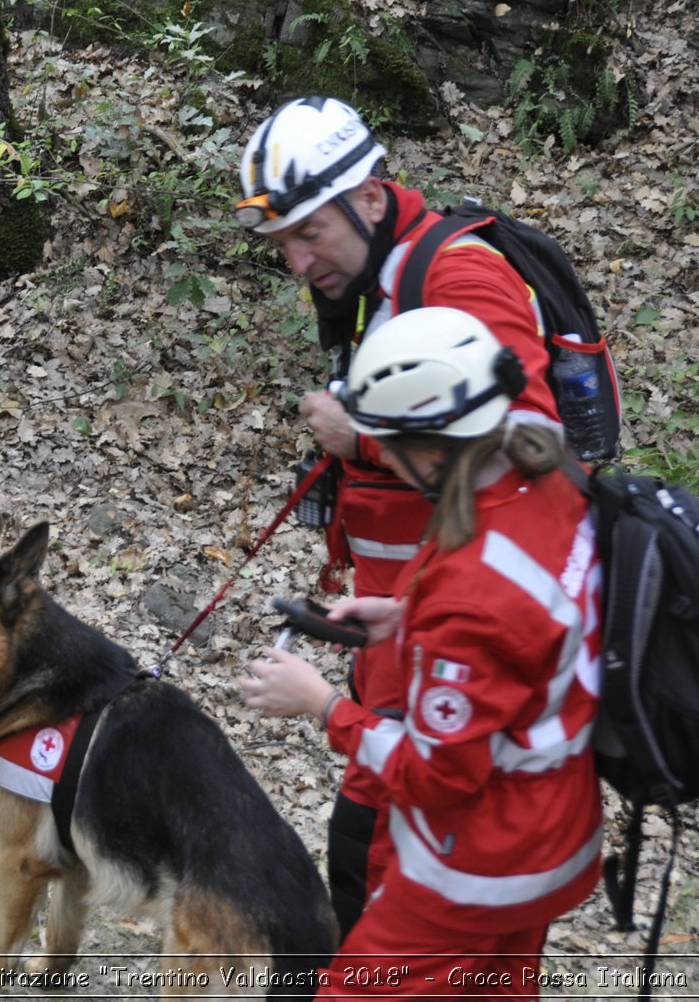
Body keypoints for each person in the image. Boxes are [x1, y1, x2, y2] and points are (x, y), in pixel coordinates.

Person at [234, 95, 562, 934]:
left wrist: (365, 435)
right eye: (283, 247)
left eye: (310, 235)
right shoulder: (377, 277)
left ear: (371, 200)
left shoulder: (454, 275)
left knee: (378, 880)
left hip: (453, 646)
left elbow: (532, 440)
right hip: (405, 623)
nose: (299, 264)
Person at [239, 307, 602, 999]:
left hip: (479, 863)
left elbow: (436, 772)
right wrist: (408, 618)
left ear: (433, 450)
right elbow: (531, 627)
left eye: (390, 445)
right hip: (557, 826)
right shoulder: (546, 481)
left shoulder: (475, 588)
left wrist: (323, 705)